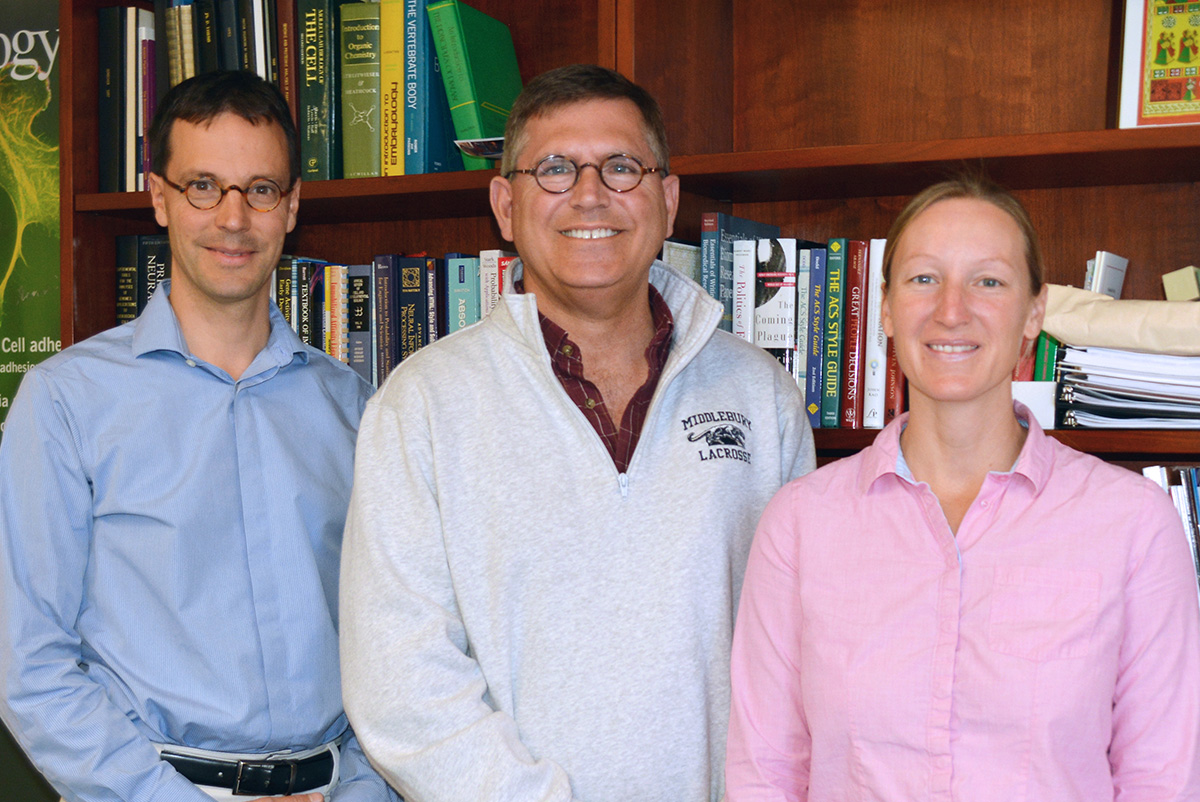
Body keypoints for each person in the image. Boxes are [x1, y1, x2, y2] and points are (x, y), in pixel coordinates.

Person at [339, 63, 815, 802]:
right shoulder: (423, 404)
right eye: (556, 169)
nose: (590, 195)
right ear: (505, 203)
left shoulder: (764, 398)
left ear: (667, 198)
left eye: (621, 167)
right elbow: (399, 684)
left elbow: (796, 659)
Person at [725, 176, 1200, 800]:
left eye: (989, 281)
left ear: (1035, 312)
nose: (953, 309)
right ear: (886, 308)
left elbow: (1161, 778)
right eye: (924, 278)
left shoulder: (1133, 524)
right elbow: (766, 772)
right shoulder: (799, 524)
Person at [0, 71, 395, 802]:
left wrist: (364, 789)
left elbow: (399, 638)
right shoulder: (66, 402)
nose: (234, 218)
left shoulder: (356, 407)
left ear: (293, 205)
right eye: (204, 186)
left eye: (262, 189)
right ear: (160, 197)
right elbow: (29, 667)